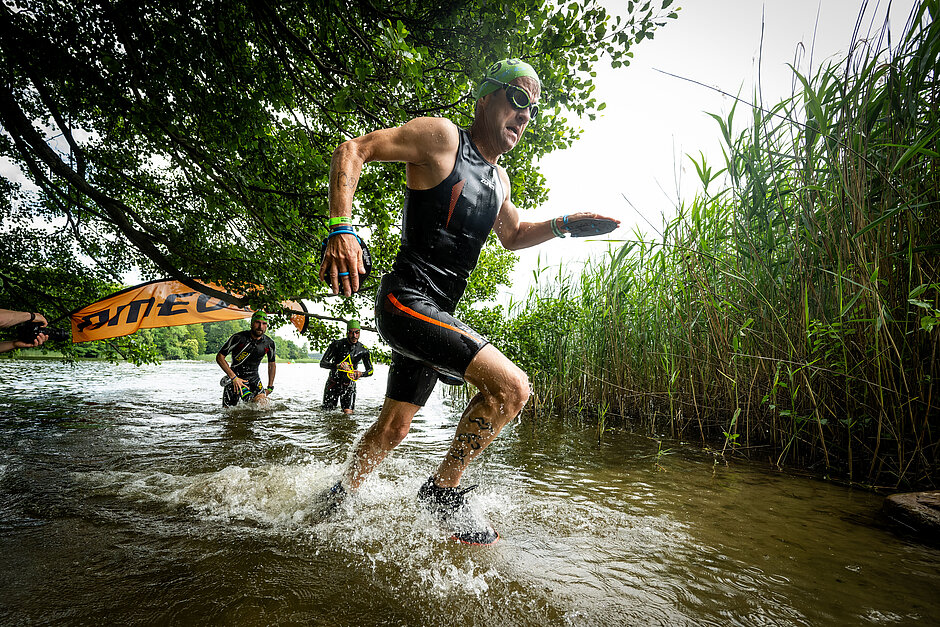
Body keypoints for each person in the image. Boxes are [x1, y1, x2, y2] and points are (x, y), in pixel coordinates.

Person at [319, 58, 619, 542]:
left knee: (394, 428)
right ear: (486, 98)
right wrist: (342, 228)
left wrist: (564, 225)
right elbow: (354, 150)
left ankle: (338, 499)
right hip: (405, 300)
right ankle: (442, 491)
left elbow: (514, 234)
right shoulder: (442, 139)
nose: (525, 115)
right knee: (513, 389)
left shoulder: (499, 180)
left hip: (435, 314)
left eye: (533, 110)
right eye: (518, 99)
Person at [216, 311, 277, 407]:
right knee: (229, 413)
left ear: (266, 326)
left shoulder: (269, 343)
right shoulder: (238, 338)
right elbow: (220, 357)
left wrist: (270, 387)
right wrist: (234, 378)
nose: (260, 326)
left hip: (254, 378)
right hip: (234, 378)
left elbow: (272, 365)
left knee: (263, 406)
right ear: (252, 323)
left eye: (264, 323)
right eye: (257, 322)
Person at [320, 319, 374, 415]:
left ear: (359, 333)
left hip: (349, 385)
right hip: (333, 384)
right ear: (347, 332)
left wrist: (361, 374)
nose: (354, 336)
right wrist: (337, 366)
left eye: (357, 333)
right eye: (351, 333)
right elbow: (323, 363)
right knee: (327, 414)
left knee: (348, 414)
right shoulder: (336, 344)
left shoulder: (363, 350)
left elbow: (370, 371)